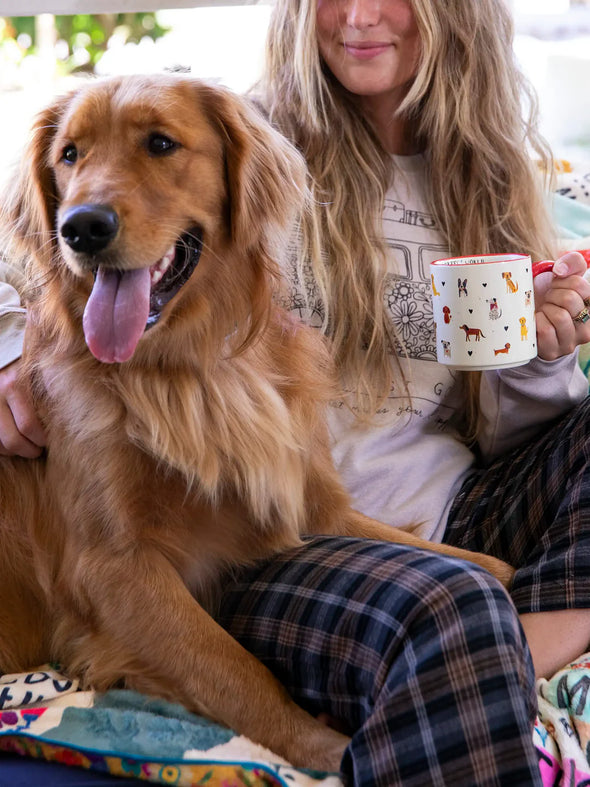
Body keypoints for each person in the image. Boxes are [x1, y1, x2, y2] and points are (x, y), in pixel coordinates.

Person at [2, 0, 590, 783]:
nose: (358, 14)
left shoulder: (494, 174)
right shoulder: (246, 123)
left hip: (447, 498)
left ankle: (521, 637)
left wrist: (538, 352)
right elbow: (29, 261)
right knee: (452, 604)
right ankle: (477, 646)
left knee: (472, 589)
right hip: (291, 547)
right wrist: (9, 347)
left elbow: (515, 430)